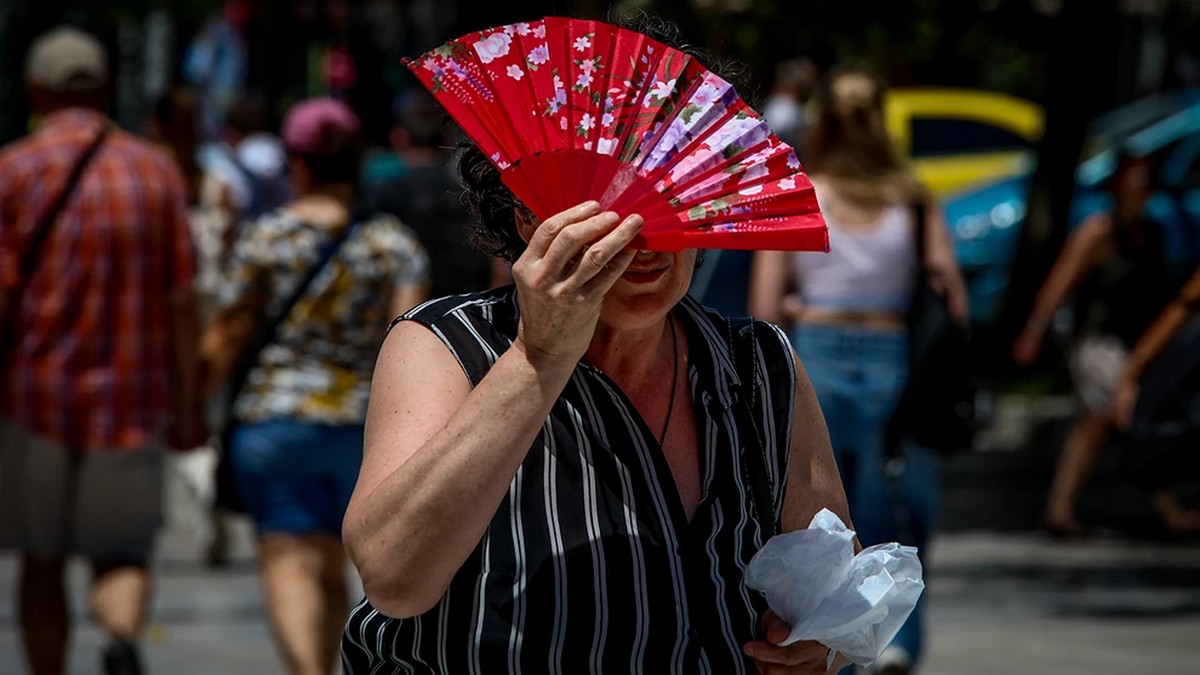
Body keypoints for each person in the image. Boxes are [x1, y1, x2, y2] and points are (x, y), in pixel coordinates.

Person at [339, 12, 857, 675]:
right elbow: (392, 576)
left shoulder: (760, 367)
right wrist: (538, 359)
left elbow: (834, 586)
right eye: (604, 206)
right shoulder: (446, 345)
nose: (640, 241)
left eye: (665, 199)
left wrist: (822, 640)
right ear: (530, 212)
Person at [749, 62, 969, 675]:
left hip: (814, 353)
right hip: (894, 358)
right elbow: (950, 290)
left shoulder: (799, 193)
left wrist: (799, 306)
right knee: (899, 507)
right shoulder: (914, 197)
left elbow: (765, 308)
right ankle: (898, 642)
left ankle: (829, 643)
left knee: (817, 517)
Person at [199, 97, 430, 675]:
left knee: (287, 557)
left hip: (274, 422)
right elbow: (407, 337)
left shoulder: (266, 238)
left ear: (297, 164)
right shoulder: (392, 243)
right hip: (362, 428)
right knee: (334, 567)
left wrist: (189, 404)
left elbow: (225, 336)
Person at [0, 26, 205, 675]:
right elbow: (180, 299)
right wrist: (189, 403)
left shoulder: (12, 170)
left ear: (35, 89)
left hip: (33, 400)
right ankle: (119, 637)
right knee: (120, 550)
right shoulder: (155, 169)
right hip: (132, 398)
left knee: (41, 556)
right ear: (107, 88)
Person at [1013, 150, 1200, 537]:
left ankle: (1059, 509)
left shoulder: (1151, 233)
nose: (1139, 192)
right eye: (1133, 184)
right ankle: (1168, 510)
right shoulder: (1097, 232)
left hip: (1132, 341)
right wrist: (1033, 333)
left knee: (1094, 426)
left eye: (1145, 184)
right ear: (1115, 188)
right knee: (1129, 411)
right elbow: (1055, 290)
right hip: (1096, 344)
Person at [358, 91, 499, 297]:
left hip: (407, 313)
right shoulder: (472, 196)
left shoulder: (382, 195)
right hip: (467, 309)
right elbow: (496, 261)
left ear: (399, 137)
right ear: (446, 139)